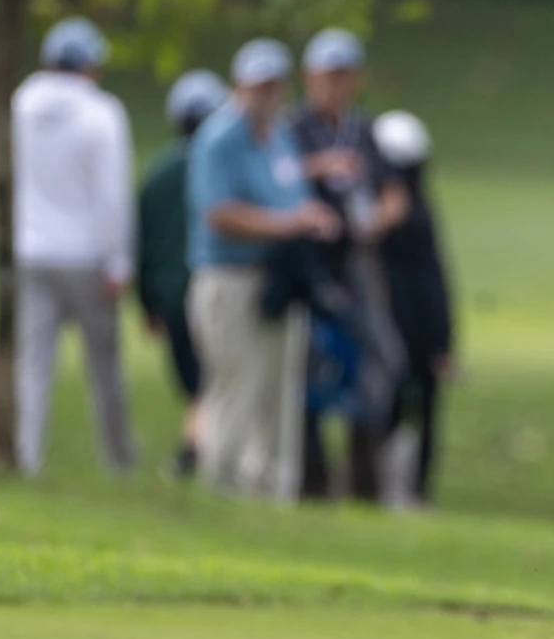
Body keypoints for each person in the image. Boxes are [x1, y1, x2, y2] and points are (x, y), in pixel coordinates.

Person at [187, 38, 342, 496]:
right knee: (237, 381)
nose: (267, 94)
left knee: (279, 388)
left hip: (276, 280)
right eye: (259, 85)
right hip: (228, 278)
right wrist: (288, 222)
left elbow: (290, 189)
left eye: (274, 85)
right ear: (241, 86)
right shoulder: (219, 138)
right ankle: (223, 480)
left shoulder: (279, 136)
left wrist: (309, 216)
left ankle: (272, 486)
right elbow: (218, 213)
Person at [11, 17, 136, 476]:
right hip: (86, 256)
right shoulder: (102, 114)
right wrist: (119, 261)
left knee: (34, 365)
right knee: (104, 365)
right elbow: (111, 197)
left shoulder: (21, 103)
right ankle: (118, 459)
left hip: (32, 252)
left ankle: (27, 455)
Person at [290, 28, 409, 502]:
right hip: (309, 262)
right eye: (326, 76)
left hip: (359, 260)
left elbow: (393, 193)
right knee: (308, 364)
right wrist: (318, 168)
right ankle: (310, 480)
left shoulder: (363, 130)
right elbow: (273, 178)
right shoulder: (293, 128)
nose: (335, 86)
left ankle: (364, 480)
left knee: (380, 357)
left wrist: (378, 219)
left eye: (343, 77)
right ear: (310, 77)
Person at [137, 69, 230, 478]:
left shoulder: (156, 175)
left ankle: (195, 449)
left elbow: (141, 247)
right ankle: (200, 451)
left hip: (169, 294)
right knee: (213, 379)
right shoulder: (222, 170)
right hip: (212, 287)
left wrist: (147, 304)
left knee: (198, 380)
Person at [372, 110, 454, 505]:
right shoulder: (394, 213)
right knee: (401, 408)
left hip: (414, 328)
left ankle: (407, 489)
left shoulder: (402, 212)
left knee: (414, 410)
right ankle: (397, 489)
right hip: (406, 329)